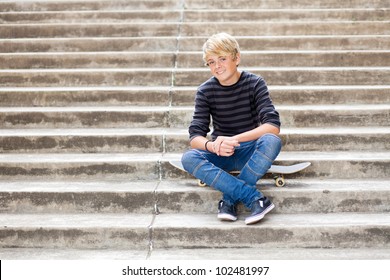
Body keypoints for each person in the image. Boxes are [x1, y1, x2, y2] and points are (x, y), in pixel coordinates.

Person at [181, 33, 282, 225]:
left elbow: (272, 126)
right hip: (221, 153)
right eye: (211, 62)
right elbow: (195, 136)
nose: (217, 66)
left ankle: (228, 201)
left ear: (237, 58)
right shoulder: (205, 91)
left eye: (222, 59)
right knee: (188, 157)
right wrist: (213, 147)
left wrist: (232, 139)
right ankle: (255, 198)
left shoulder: (255, 83)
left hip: (249, 151)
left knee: (271, 141)